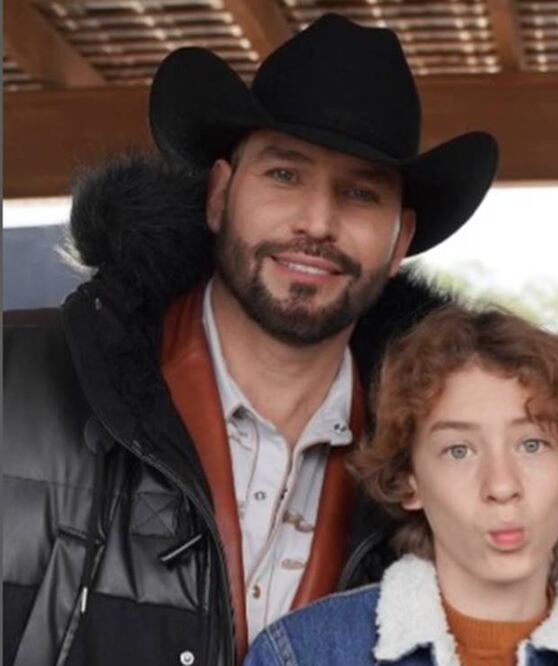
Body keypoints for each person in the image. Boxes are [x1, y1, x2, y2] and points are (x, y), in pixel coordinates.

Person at [2, 14, 499, 665]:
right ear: (218, 195)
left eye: (359, 193)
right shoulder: (18, 383)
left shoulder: (439, 468)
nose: (317, 222)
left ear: (400, 240)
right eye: (284, 175)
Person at [244, 305, 558, 666]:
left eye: (532, 444)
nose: (501, 486)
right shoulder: (302, 654)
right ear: (409, 480)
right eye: (459, 450)